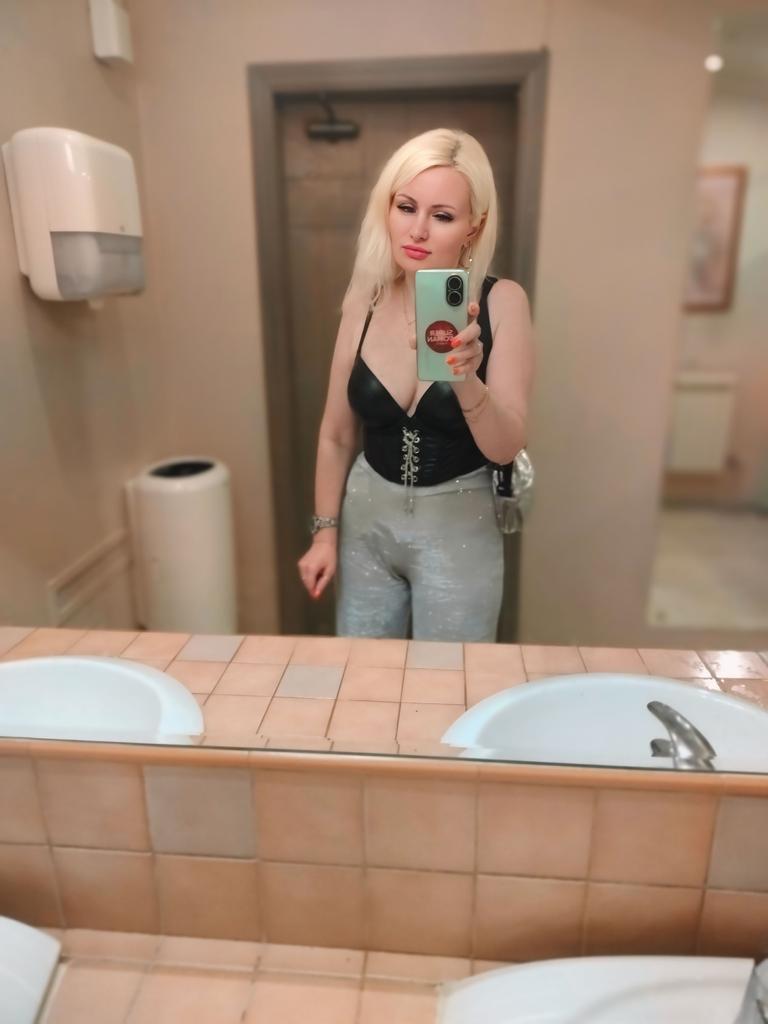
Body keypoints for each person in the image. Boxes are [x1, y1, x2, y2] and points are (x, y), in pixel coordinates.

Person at [297, 127, 534, 642]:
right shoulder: (365, 301)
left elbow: (505, 447)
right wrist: (324, 534)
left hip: (460, 530)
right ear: (387, 208)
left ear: (474, 226)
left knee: (451, 679)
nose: (418, 230)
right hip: (366, 524)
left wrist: (465, 379)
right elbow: (335, 435)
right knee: (363, 676)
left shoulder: (502, 302)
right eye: (406, 207)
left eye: (442, 216)